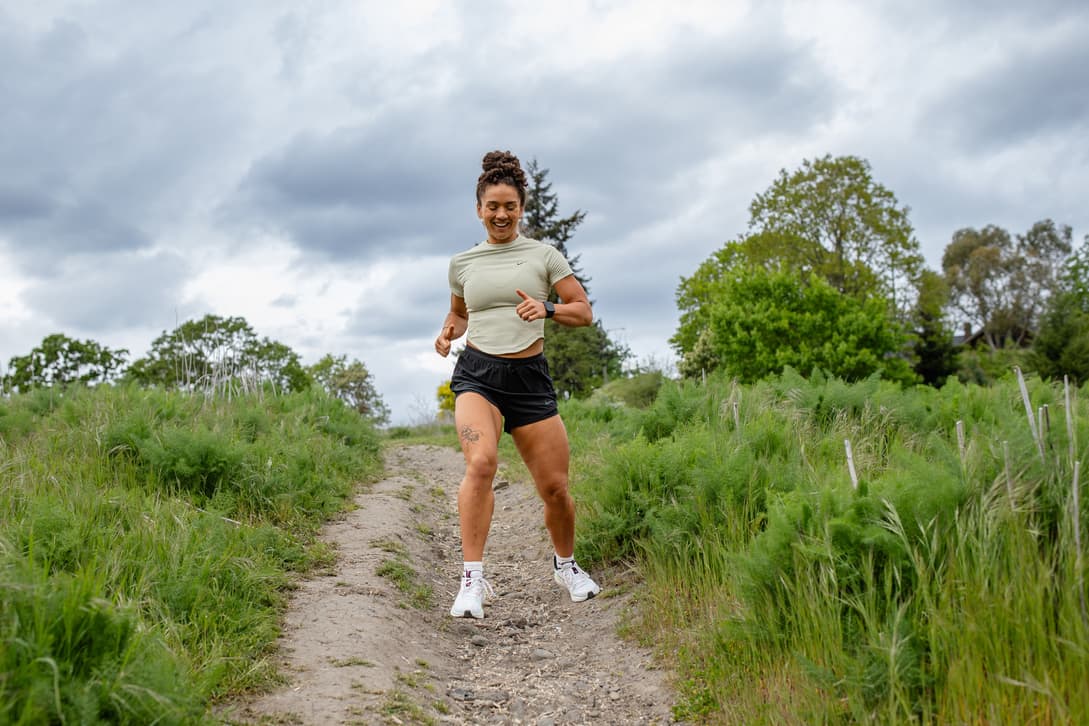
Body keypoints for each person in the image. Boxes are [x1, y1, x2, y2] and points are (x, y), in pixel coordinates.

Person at [435, 150, 602, 619]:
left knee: (555, 489)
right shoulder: (463, 263)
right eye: (493, 206)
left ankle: (566, 566)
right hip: (478, 376)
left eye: (510, 206)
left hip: (530, 379)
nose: (501, 214)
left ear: (521, 208)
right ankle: (472, 581)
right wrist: (449, 330)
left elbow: (582, 312)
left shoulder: (544, 256)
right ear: (479, 209)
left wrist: (547, 308)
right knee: (482, 463)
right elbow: (459, 313)